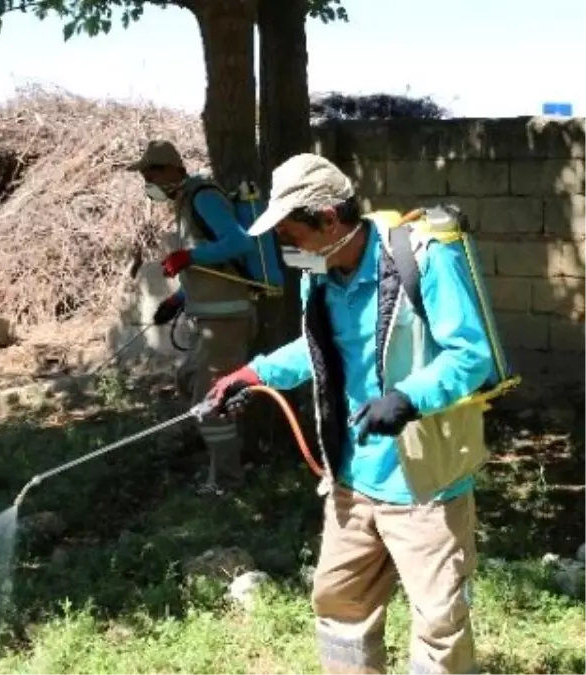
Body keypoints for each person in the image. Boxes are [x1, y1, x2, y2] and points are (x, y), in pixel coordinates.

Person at [206, 153, 494, 675]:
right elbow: (318, 348)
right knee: (340, 607)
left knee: (439, 623)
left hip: (423, 485)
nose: (285, 246)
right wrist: (253, 374)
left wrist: (407, 398)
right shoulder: (320, 274)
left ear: (329, 219)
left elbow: (470, 355)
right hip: (352, 481)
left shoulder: (425, 258)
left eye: (292, 232)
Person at [125, 140, 259, 495]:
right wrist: (179, 299)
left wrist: (190, 258)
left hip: (227, 321)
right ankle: (227, 462)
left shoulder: (203, 197)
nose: (146, 180)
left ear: (171, 169)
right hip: (209, 319)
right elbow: (215, 269)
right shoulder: (186, 202)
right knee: (188, 379)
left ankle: (227, 483)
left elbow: (239, 243)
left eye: (150, 172)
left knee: (211, 400)